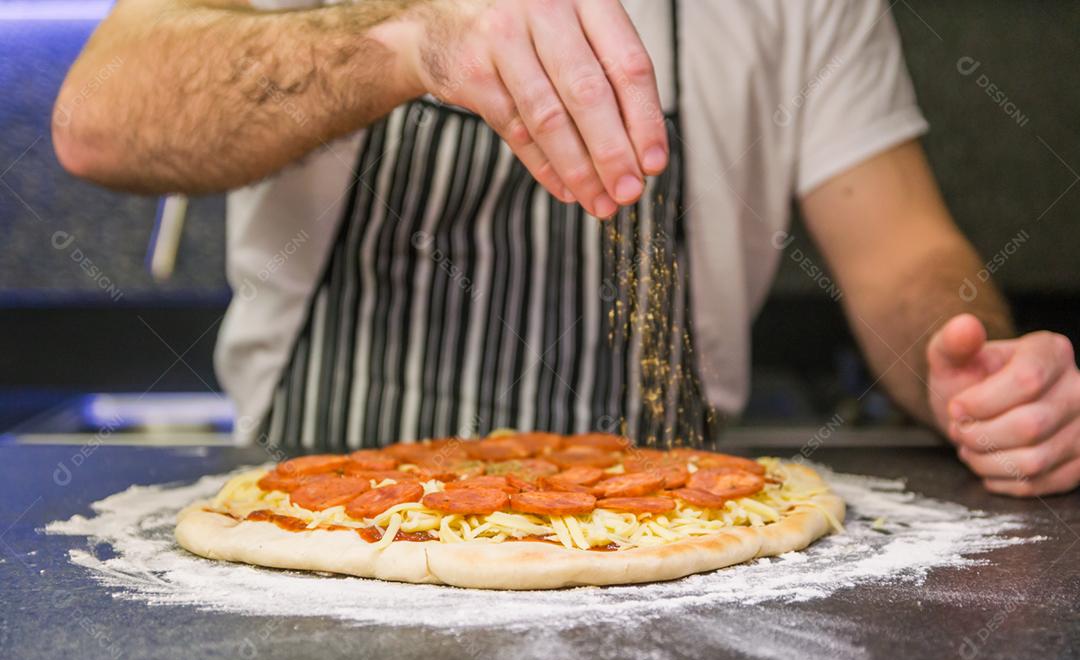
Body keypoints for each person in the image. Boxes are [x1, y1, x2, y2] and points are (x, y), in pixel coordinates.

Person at [52, 0, 1079, 496]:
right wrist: (407, 47)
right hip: (318, 510)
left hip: (667, 525)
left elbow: (901, 254)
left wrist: (971, 367)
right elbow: (98, 121)